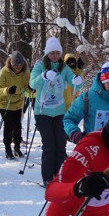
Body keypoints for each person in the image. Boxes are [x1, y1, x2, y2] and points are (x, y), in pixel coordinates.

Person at [30, 37, 80, 184]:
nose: (55, 56)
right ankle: (47, 177)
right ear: (47, 53)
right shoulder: (40, 65)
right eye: (52, 53)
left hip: (59, 111)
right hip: (42, 112)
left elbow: (73, 78)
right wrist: (43, 76)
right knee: (49, 145)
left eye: (58, 53)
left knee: (60, 145)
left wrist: (77, 80)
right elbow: (32, 84)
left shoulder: (63, 67)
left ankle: (58, 176)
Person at [64, 61, 109, 143]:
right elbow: (69, 119)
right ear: (103, 82)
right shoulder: (87, 98)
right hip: (94, 147)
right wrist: (74, 134)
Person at [0, 52, 29, 159]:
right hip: (5, 103)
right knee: (8, 126)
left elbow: (27, 85)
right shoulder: (5, 72)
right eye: (15, 65)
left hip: (18, 102)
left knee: (18, 126)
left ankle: (17, 147)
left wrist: (30, 89)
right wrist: (7, 90)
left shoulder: (26, 72)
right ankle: (7, 148)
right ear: (11, 64)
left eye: (20, 65)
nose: (18, 67)